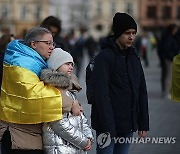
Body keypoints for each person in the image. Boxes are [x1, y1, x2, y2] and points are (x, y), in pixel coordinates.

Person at [0, 27, 68, 154]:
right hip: (18, 137)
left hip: (26, 134)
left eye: (53, 43)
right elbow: (34, 94)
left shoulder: (31, 59)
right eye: (48, 43)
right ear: (34, 44)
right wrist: (70, 102)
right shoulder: (21, 61)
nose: (51, 47)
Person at [90, 12, 149, 154]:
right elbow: (101, 95)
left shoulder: (134, 57)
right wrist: (108, 127)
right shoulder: (104, 58)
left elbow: (141, 90)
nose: (131, 37)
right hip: (107, 125)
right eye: (127, 33)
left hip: (127, 124)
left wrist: (143, 123)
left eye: (134, 33)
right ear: (118, 33)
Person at [40, 48, 93, 154]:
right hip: (59, 148)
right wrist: (83, 141)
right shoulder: (52, 90)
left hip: (72, 146)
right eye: (67, 64)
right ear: (56, 65)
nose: (71, 67)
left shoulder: (69, 89)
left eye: (72, 64)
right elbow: (58, 123)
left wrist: (88, 135)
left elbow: (80, 116)